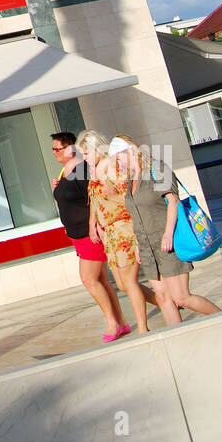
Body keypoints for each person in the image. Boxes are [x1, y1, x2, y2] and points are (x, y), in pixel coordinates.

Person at [108, 137, 221, 325]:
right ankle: (178, 339)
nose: (118, 163)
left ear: (129, 151)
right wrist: (138, 245)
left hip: (167, 242)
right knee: (162, 298)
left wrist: (168, 233)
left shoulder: (156, 169)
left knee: (181, 297)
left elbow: (173, 201)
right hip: (147, 247)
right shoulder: (131, 179)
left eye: (118, 158)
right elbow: (137, 214)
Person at [50, 131, 129, 342]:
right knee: (101, 279)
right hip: (76, 234)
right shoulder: (64, 172)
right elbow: (65, 202)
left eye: (57, 148)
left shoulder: (81, 169)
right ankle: (120, 321)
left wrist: (95, 225)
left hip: (89, 233)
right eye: (53, 149)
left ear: (69, 149)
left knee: (89, 279)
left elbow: (93, 198)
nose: (54, 153)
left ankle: (113, 322)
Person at [78, 129, 149, 335]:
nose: (84, 158)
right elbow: (95, 200)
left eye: (86, 153)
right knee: (121, 284)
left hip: (123, 227)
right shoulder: (95, 170)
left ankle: (142, 327)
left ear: (95, 149)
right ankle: (160, 299)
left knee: (129, 281)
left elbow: (128, 195)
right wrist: (93, 223)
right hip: (108, 231)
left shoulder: (111, 166)